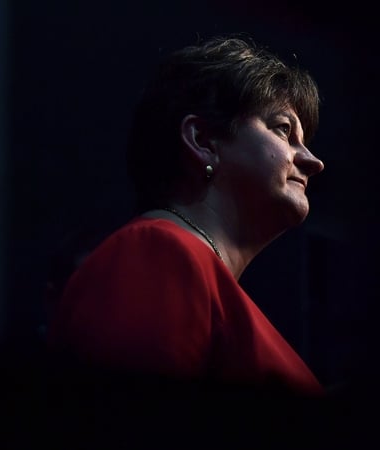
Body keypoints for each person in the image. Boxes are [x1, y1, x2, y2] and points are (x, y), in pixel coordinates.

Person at [42, 36, 329, 445]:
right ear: (202, 141)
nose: (313, 161)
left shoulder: (192, 272)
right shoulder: (157, 253)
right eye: (284, 131)